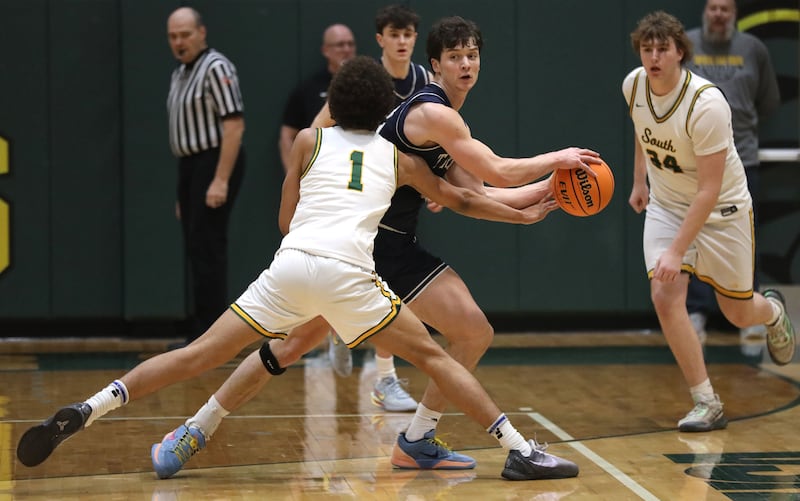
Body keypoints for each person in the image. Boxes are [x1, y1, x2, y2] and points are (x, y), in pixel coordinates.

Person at [16, 56, 578, 483]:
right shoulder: (399, 158)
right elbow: (463, 200)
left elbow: (285, 219)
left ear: (335, 103)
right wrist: (524, 214)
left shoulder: (309, 140)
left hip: (291, 266)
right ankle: (517, 450)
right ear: (386, 107)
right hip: (350, 273)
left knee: (197, 355)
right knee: (434, 354)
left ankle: (93, 406)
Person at [148, 15, 602, 477]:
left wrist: (550, 191)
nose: (466, 64)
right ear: (435, 66)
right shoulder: (433, 113)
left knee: (468, 332)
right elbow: (498, 173)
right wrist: (559, 161)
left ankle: (417, 439)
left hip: (393, 246)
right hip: (363, 247)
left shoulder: (450, 119)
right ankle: (195, 428)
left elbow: (476, 194)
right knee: (287, 348)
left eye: (472, 55)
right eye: (455, 57)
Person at [623, 10, 795, 432]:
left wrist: (678, 250)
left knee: (737, 312)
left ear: (681, 52)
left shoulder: (707, 104)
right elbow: (642, 130)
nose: (654, 57)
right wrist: (639, 180)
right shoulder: (633, 85)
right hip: (667, 203)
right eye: (647, 49)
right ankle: (706, 401)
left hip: (722, 211)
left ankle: (772, 311)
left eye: (663, 48)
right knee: (665, 296)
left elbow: (709, 189)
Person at [312, 3, 434, 413]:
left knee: (388, 285)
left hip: (400, 194)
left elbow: (442, 143)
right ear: (380, 39)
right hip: (359, 193)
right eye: (394, 34)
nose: (401, 41)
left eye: (408, 35)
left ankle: (377, 369)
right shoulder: (363, 82)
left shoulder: (426, 82)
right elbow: (314, 131)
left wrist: (440, 184)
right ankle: (365, 357)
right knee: (368, 281)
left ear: (415, 39)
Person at [683, 0, 781, 348]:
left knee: (742, 239)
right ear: (705, 12)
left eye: (725, 8)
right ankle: (694, 312)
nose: (718, 14)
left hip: (742, 160)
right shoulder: (686, 45)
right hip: (692, 162)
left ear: (734, 14)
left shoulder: (753, 50)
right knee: (692, 237)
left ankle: (749, 313)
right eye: (713, 8)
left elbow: (769, 101)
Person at [166, 7, 246, 346]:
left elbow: (234, 125)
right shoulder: (180, 74)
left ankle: (212, 339)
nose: (179, 42)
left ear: (202, 32)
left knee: (209, 249)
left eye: (185, 34)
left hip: (213, 162)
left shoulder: (216, 67)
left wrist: (220, 179)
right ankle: (201, 330)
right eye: (173, 36)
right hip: (190, 166)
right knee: (197, 248)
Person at [278, 23, 356, 173]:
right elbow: (287, 135)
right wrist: (293, 175)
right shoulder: (308, 88)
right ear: (326, 50)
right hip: (320, 169)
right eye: (340, 45)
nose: (347, 49)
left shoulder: (367, 85)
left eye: (350, 44)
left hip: (357, 167)